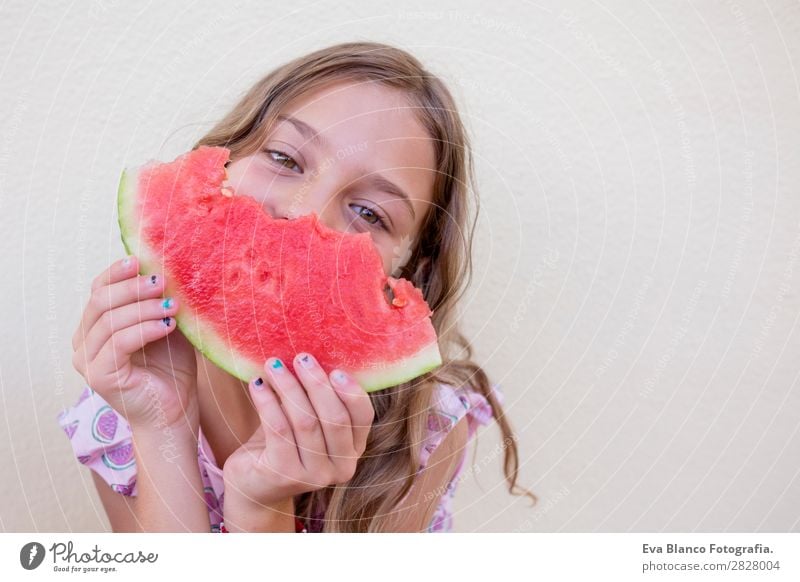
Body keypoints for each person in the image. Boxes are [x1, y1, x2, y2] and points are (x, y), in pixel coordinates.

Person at [58, 41, 536, 533]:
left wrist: (262, 505)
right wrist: (162, 427)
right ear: (224, 158)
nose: (302, 211)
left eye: (370, 213)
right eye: (285, 159)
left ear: (410, 268)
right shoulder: (120, 407)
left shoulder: (417, 433)